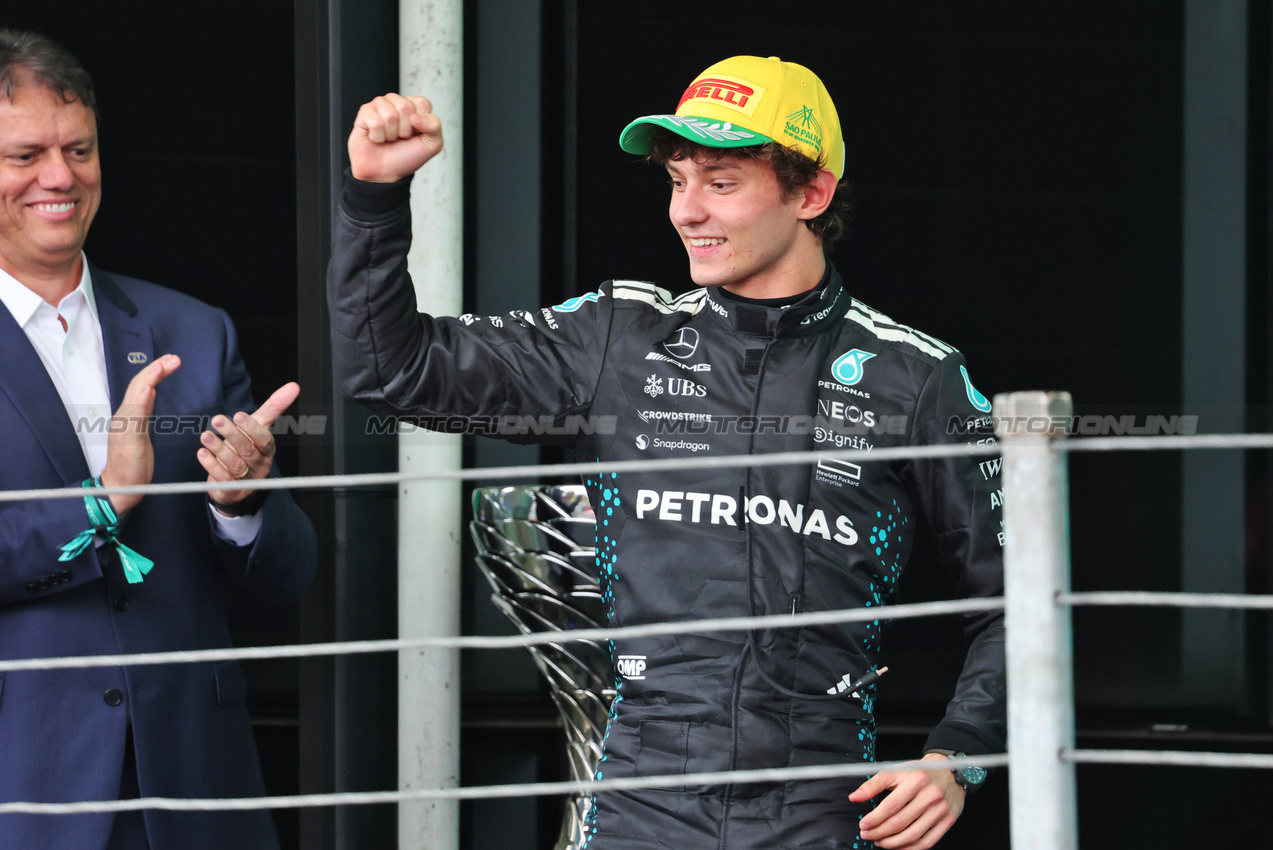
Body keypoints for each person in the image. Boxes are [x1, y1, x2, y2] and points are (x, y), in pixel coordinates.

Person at [329, 55, 1004, 850]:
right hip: (638, 804)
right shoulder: (618, 337)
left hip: (820, 805)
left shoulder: (915, 377)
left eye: (720, 182)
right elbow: (390, 371)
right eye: (677, 181)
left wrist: (957, 757)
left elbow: (1021, 603)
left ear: (810, 194)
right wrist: (373, 199)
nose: (687, 211)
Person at [0, 30, 316, 850]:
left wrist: (241, 502)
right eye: (25, 155)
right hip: (24, 782)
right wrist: (102, 502)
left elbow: (291, 576)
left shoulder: (194, 330)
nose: (60, 177)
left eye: (79, 149)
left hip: (192, 781)